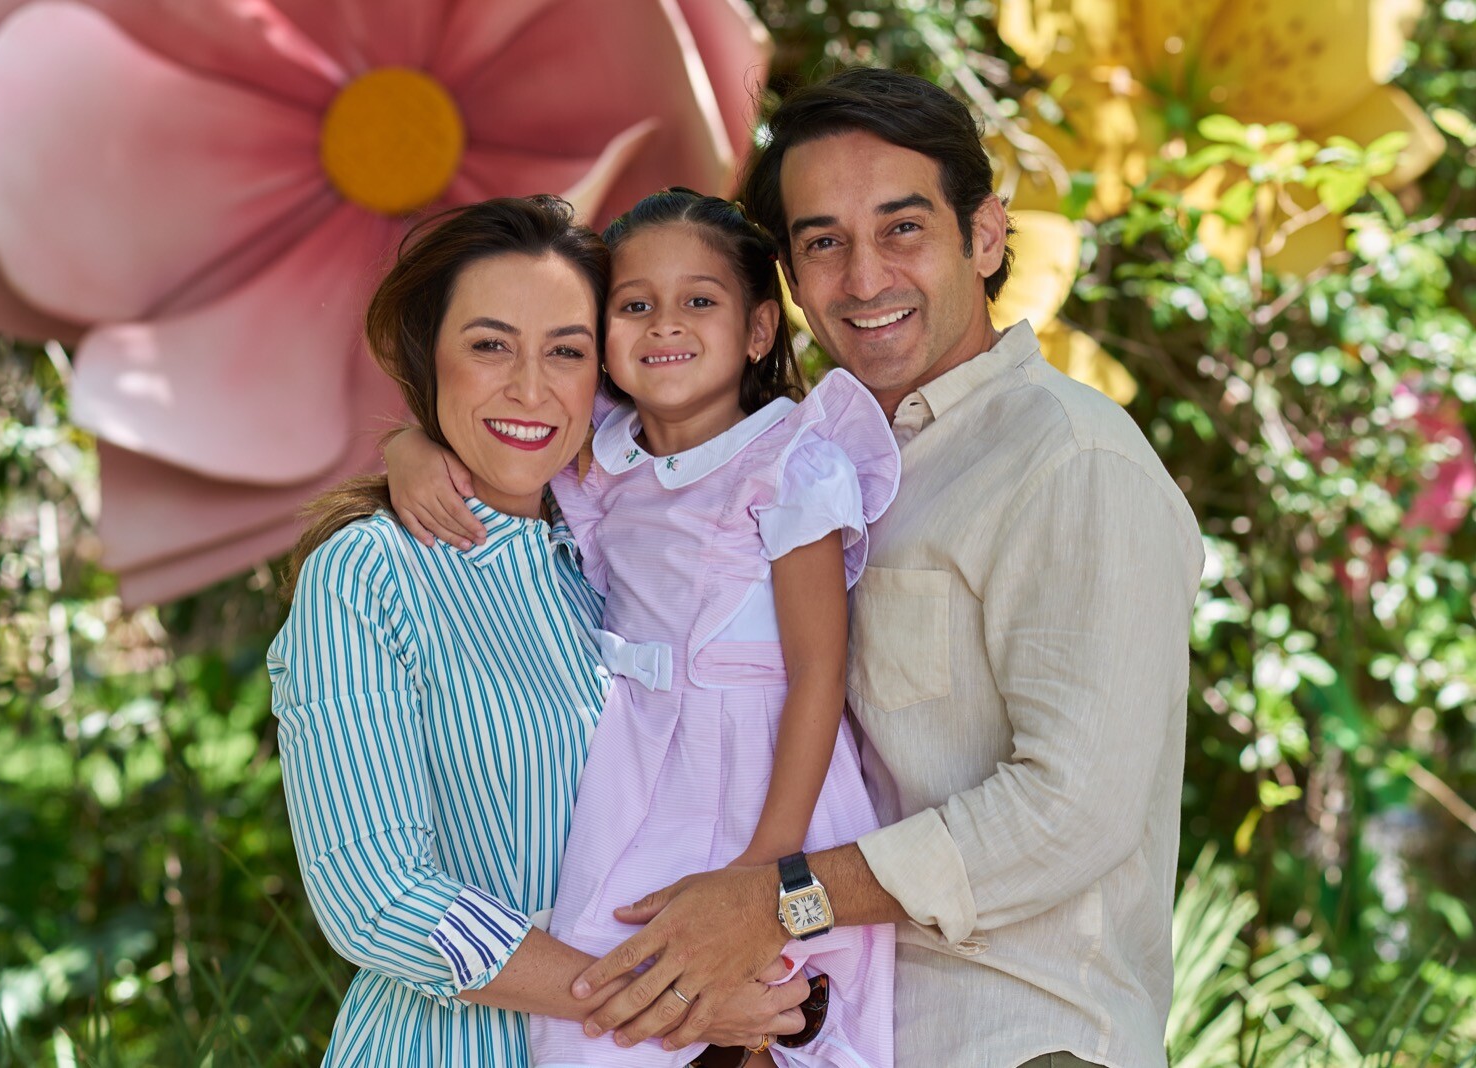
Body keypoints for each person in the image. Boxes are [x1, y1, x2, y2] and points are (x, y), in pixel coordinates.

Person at [403, 69, 1207, 1067]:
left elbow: (1068, 812)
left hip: (1012, 1037)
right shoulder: (817, 450)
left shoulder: (1067, 461)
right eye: (823, 241)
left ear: (987, 236)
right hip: (824, 1025)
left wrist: (782, 894)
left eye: (902, 229)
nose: (863, 279)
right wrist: (418, 452)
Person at [268, 195, 808, 1068]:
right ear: (427, 357)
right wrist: (670, 1000)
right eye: (488, 346)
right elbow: (377, 898)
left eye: (566, 351)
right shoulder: (367, 574)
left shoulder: (607, 556)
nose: (530, 386)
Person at [386, 188, 897, 1068]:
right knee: (601, 1018)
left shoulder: (791, 462)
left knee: (773, 1013)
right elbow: (497, 461)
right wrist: (409, 448)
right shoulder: (603, 457)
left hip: (763, 779)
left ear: (759, 331)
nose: (666, 325)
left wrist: (767, 870)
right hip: (635, 777)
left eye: (700, 300)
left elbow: (819, 671)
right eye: (634, 305)